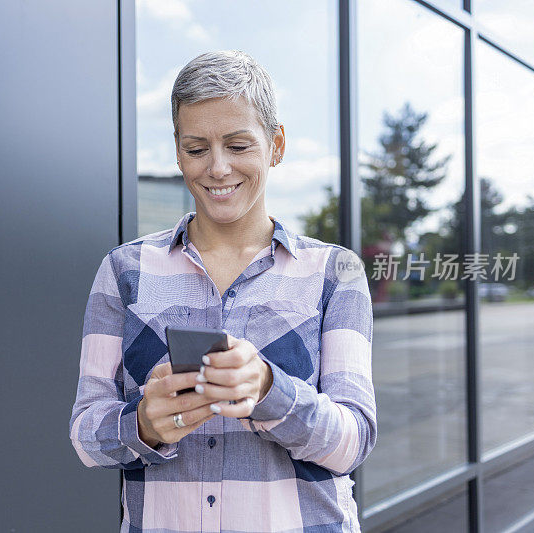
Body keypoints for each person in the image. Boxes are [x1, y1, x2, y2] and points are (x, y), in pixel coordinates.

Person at [69, 50, 376, 533]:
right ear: (176, 149)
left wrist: (269, 391)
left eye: (238, 145)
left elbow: (353, 443)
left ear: (275, 145)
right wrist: (145, 423)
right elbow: (87, 437)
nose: (216, 168)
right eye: (196, 148)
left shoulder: (334, 272)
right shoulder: (124, 271)